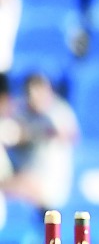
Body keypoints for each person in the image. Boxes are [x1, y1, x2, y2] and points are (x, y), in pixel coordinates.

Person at [0, 73, 79, 210]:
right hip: (19, 174)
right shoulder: (20, 110)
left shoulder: (59, 112)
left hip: (48, 185)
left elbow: (69, 135)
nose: (35, 96)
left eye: (39, 91)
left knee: (25, 183)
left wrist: (33, 133)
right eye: (31, 92)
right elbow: (11, 132)